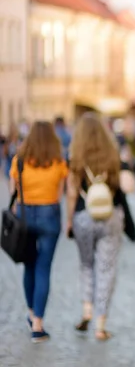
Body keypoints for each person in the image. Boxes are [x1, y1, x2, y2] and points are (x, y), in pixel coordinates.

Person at [65, 113, 126, 341]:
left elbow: (71, 193)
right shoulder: (113, 155)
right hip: (110, 216)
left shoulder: (76, 157)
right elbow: (121, 185)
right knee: (106, 269)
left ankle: (86, 310)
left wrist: (69, 220)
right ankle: (101, 325)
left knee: (86, 265)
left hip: (83, 215)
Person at [9, 121, 68, 343]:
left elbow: (13, 190)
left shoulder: (20, 161)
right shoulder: (58, 162)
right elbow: (60, 194)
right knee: (43, 268)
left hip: (25, 215)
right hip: (49, 214)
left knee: (29, 266)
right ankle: (38, 325)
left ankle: (32, 312)